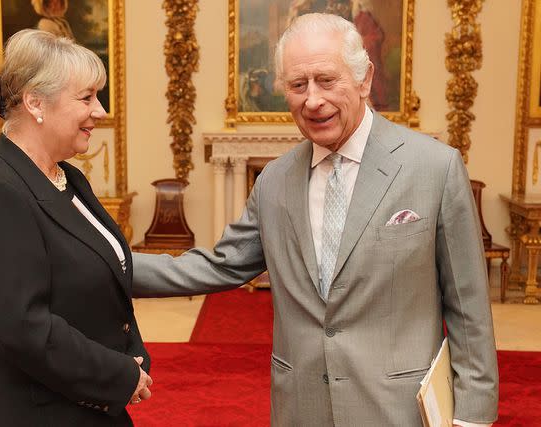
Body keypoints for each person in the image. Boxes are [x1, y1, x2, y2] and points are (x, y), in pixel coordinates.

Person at [132, 13, 498, 426]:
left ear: (364, 79)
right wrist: (107, 264)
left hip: (398, 409)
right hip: (301, 407)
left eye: (327, 80)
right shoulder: (274, 181)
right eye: (297, 85)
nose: (312, 100)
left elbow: (468, 308)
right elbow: (220, 265)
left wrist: (472, 417)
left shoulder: (434, 168)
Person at [0, 29, 151, 426]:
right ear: (35, 103)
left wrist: (132, 355)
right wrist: (118, 373)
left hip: (87, 401)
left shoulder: (68, 177)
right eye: (87, 97)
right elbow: (25, 329)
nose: (100, 110)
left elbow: (104, 270)